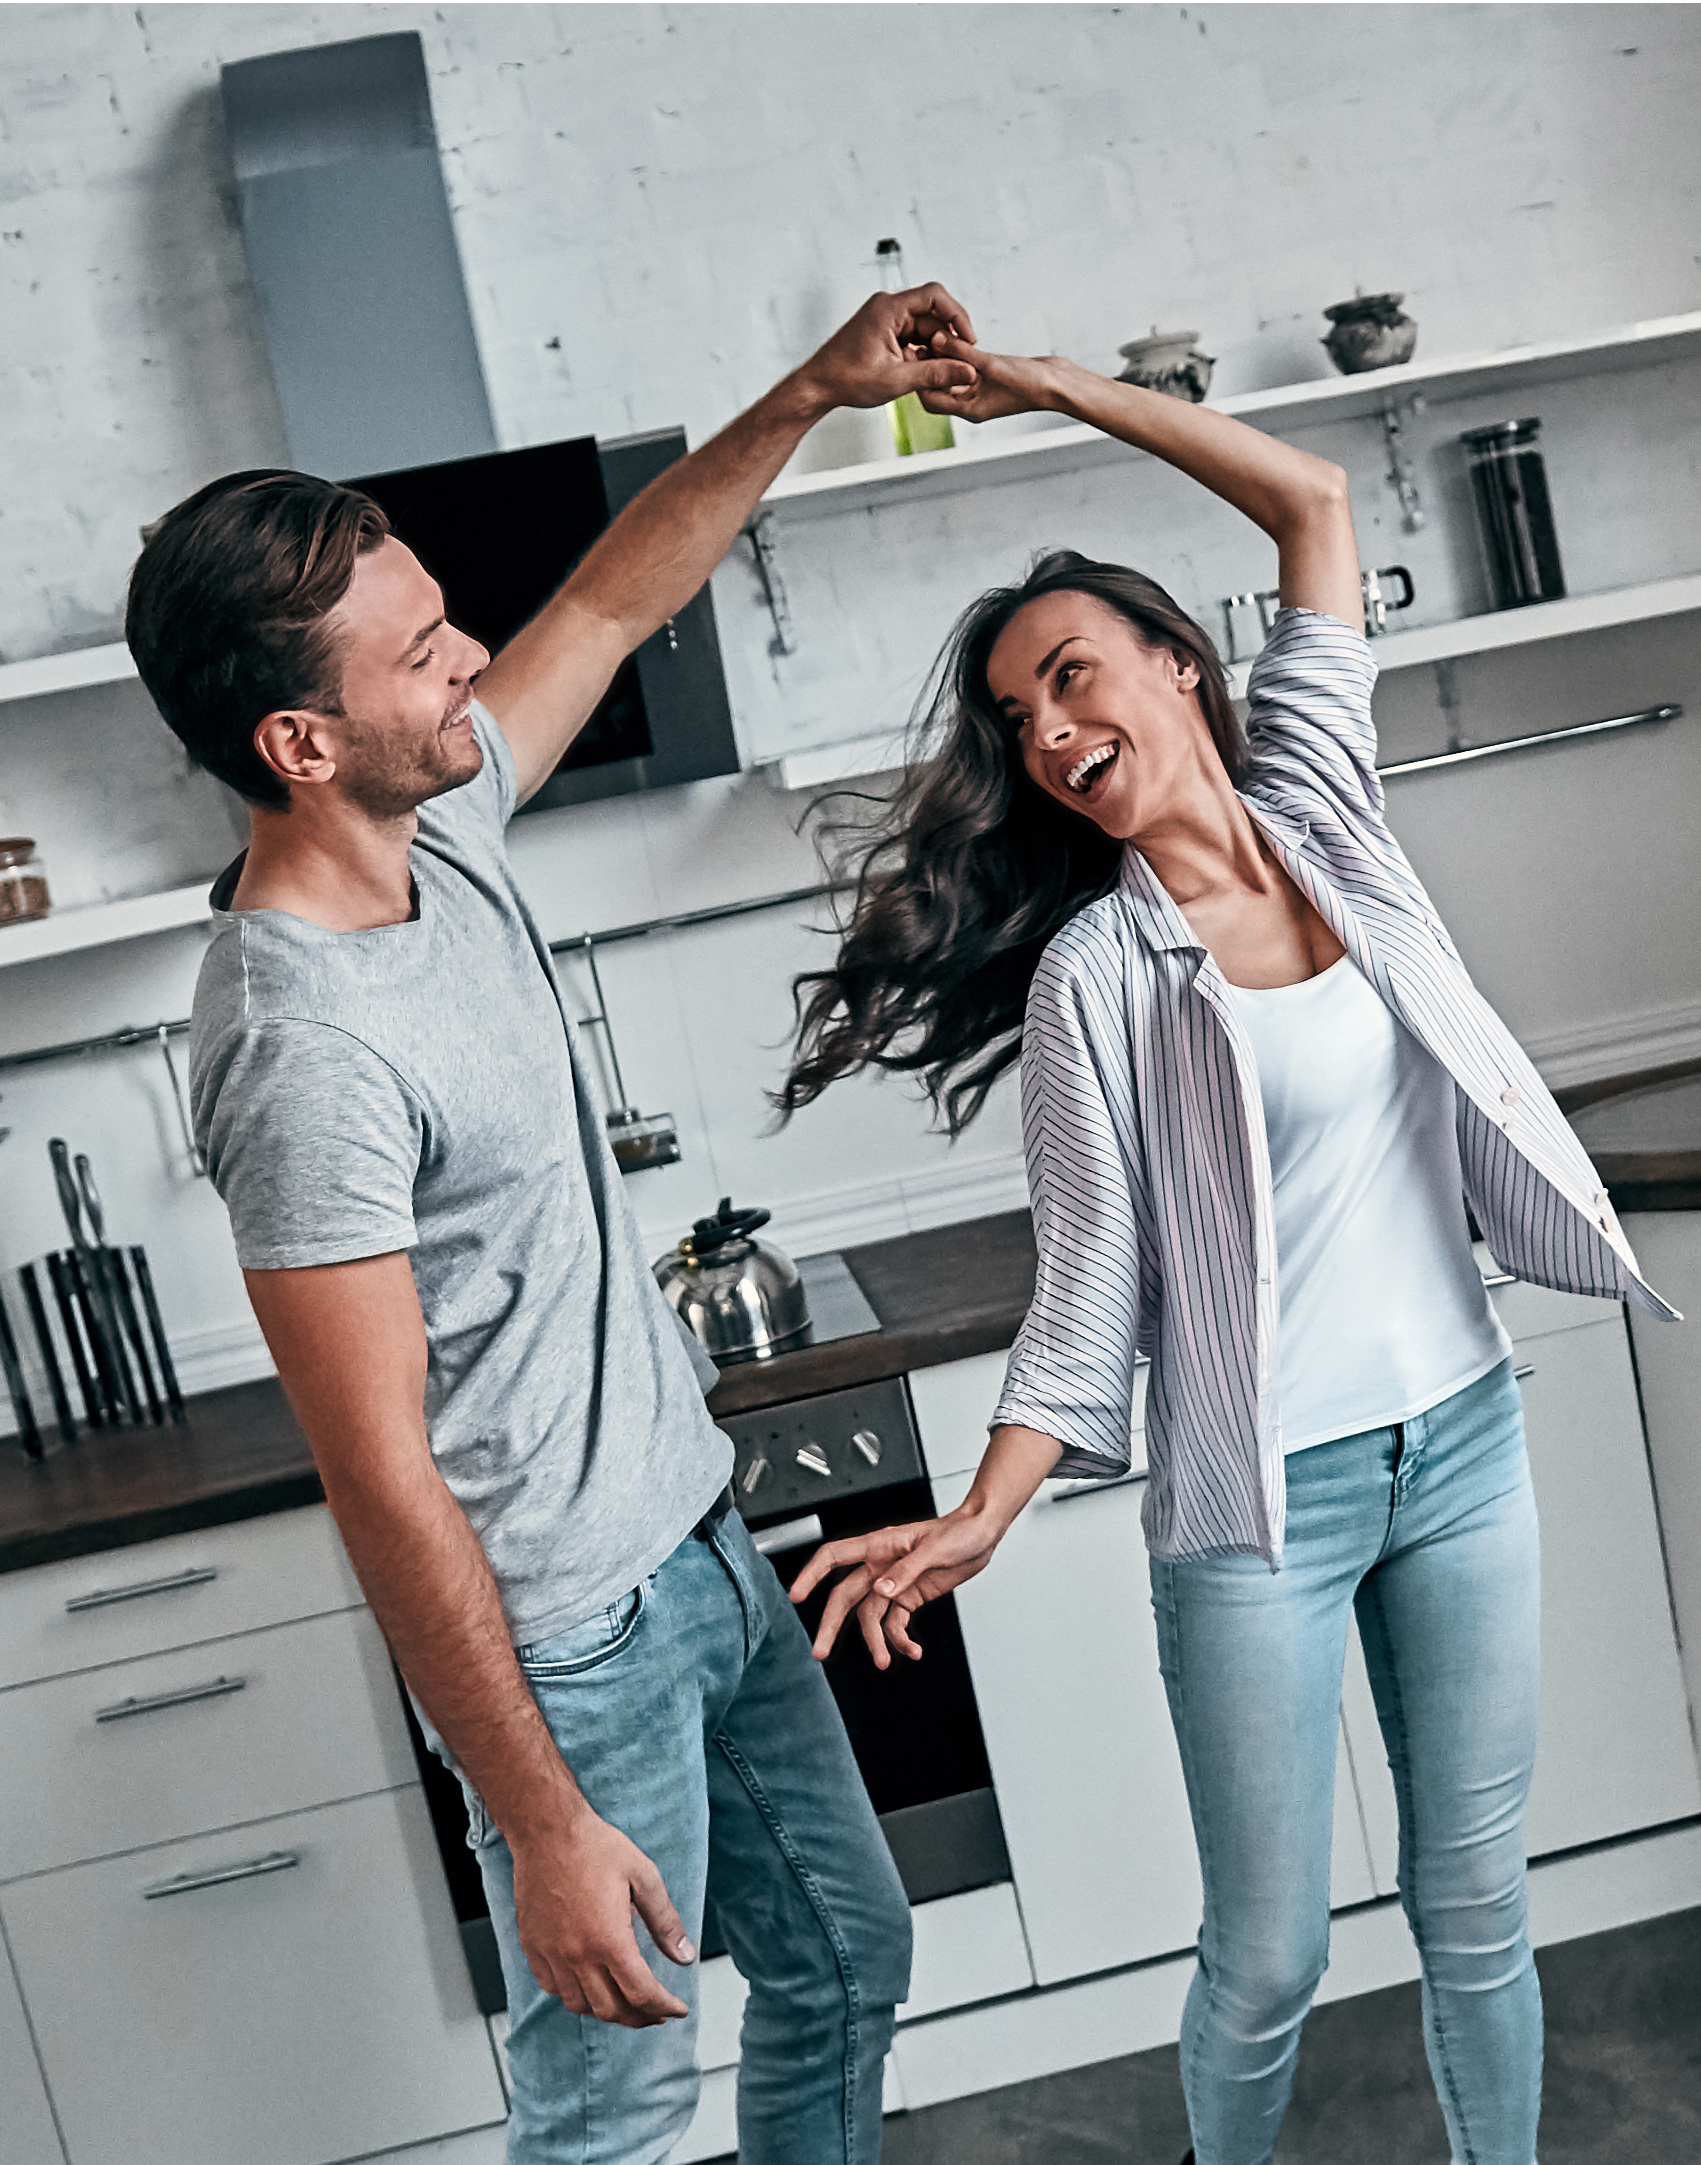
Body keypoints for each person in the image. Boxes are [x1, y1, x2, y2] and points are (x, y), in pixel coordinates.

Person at [783, 339, 1676, 2165]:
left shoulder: (1324, 808)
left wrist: (1044, 384)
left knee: (1476, 1907)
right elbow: (1089, 1289)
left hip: (1463, 1442)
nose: (1044, 728)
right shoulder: (1089, 983)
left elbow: (1311, 500)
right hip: (1254, 1507)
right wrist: (987, 1503)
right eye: (1017, 721)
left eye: (1066, 673)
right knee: (1264, 1957)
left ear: (1176, 663)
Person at [124, 283, 981, 2165]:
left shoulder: (443, 831)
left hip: (697, 1542)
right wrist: (535, 1819)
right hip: (567, 1644)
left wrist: (815, 390)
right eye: (422, 656)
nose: (474, 664)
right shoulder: (300, 1042)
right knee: (609, 2101)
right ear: (296, 742)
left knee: (848, 1959)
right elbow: (380, 1478)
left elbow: (606, 598)